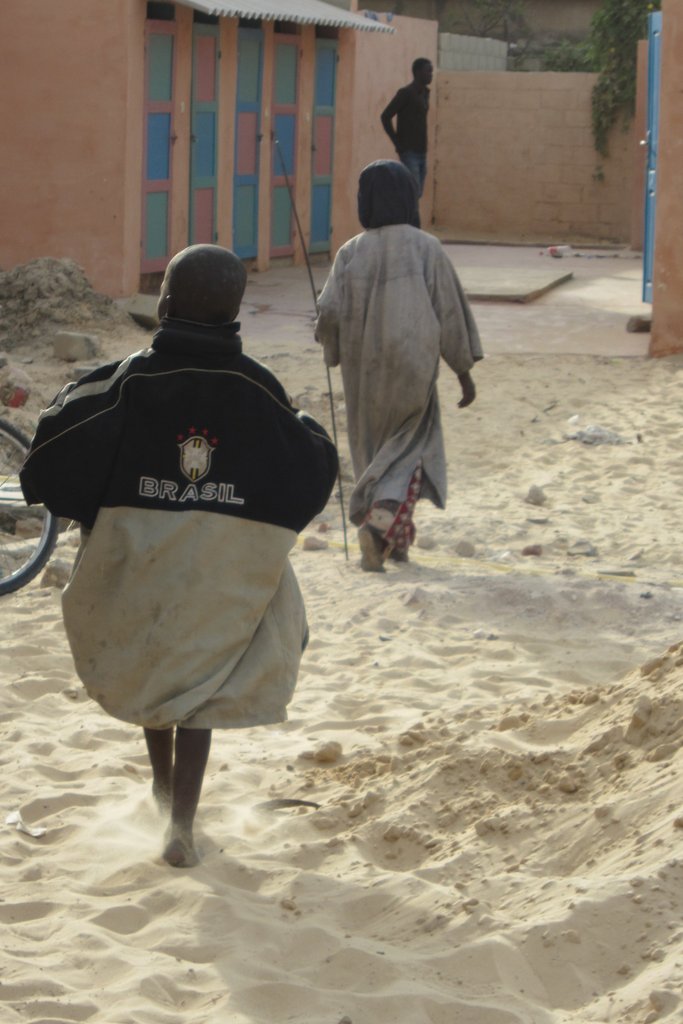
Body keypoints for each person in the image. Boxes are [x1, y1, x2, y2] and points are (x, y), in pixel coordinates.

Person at [20, 244, 338, 868]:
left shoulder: (127, 382)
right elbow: (312, 466)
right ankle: (182, 826)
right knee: (201, 681)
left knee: (157, 663)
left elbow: (49, 457)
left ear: (163, 304)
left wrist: (102, 505)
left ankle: (163, 794)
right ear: (236, 313)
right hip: (218, 577)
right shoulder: (260, 390)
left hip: (140, 567)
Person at [314, 160, 482, 573]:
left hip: (362, 371)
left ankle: (393, 537)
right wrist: (463, 371)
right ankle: (382, 526)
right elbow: (450, 314)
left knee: (375, 450)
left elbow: (328, 312)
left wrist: (331, 349)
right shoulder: (428, 248)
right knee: (410, 451)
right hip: (413, 364)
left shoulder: (350, 251)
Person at [380, 57, 433, 199]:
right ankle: (411, 221)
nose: (430, 74)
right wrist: (397, 143)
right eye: (427, 71)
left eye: (431, 71)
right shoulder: (406, 93)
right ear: (417, 72)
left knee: (417, 193)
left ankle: (410, 220)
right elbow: (385, 116)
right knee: (412, 193)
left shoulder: (426, 94)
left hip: (422, 151)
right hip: (409, 153)